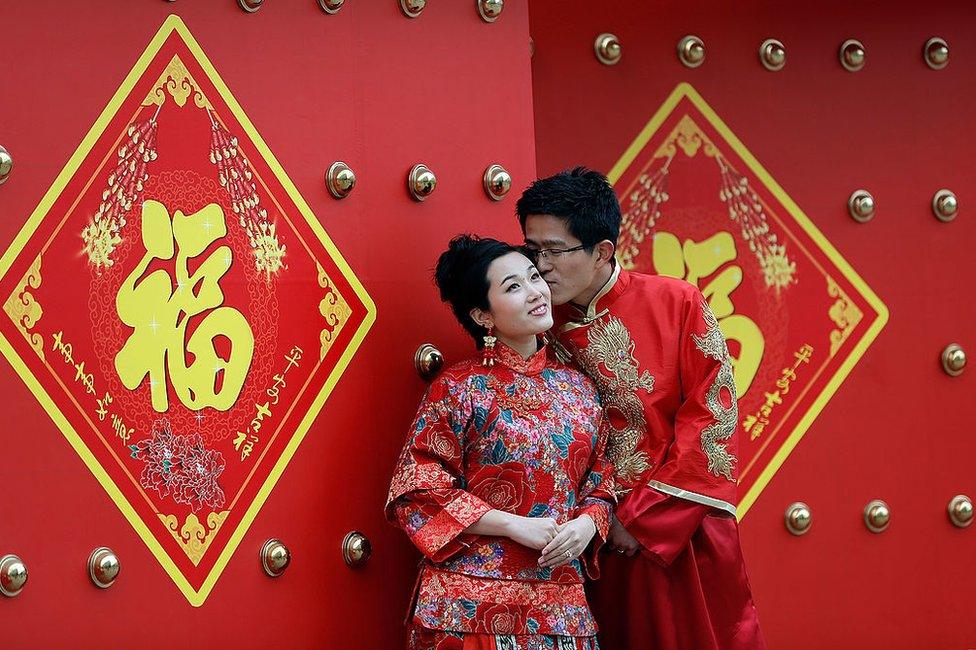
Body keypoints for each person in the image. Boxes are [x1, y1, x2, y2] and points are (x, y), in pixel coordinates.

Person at [517, 168, 765, 650]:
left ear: (602, 251)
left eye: (554, 250)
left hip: (675, 538)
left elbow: (712, 418)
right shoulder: (534, 326)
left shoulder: (677, 303)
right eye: (531, 250)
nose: (540, 266)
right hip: (577, 544)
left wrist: (641, 519)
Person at [386, 235, 616, 650]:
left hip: (561, 609)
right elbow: (417, 491)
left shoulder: (580, 388)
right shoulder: (458, 388)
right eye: (513, 287)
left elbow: (600, 481)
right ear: (482, 315)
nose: (535, 293)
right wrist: (513, 525)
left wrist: (586, 525)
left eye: (533, 277)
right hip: (466, 610)